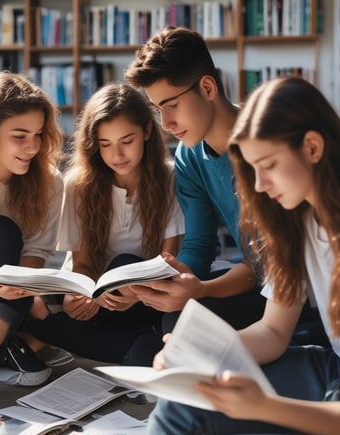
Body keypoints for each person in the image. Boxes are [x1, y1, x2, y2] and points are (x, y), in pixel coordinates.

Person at [134, 76, 340, 435]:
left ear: (313, 147)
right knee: (184, 399)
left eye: (268, 166)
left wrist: (265, 407)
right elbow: (274, 332)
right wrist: (200, 353)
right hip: (331, 368)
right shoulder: (297, 223)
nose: (260, 186)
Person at [124, 25, 326, 345]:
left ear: (207, 88)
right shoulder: (189, 158)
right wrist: (177, 282)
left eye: (172, 105)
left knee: (181, 331)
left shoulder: (272, 145)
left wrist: (202, 290)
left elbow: (278, 259)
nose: (166, 124)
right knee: (174, 321)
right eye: (157, 109)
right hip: (267, 279)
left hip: (299, 286)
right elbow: (199, 247)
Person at [25, 82, 184, 365]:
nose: (117, 155)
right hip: (96, 294)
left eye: (127, 141)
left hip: (149, 295)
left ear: (147, 131)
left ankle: (84, 339)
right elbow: (82, 263)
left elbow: (169, 259)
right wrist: (85, 294)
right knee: (52, 304)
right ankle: (136, 345)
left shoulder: (169, 177)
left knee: (124, 264)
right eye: (105, 144)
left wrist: (137, 294)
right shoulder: (79, 184)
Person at [0, 71, 64, 386]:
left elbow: (33, 258)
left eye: (38, 134)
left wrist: (21, 289)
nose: (33, 147)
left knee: (23, 282)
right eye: (19, 135)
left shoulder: (48, 182)